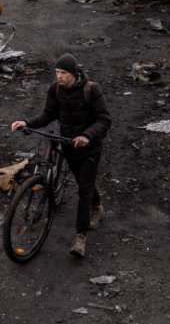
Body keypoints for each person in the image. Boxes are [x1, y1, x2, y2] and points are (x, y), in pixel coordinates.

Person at [10, 53, 111, 258]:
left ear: (73, 74)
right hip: (68, 145)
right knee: (84, 183)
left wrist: (86, 136)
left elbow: (104, 119)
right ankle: (97, 205)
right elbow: (48, 114)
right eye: (57, 72)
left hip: (89, 148)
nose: (59, 76)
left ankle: (80, 237)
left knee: (83, 189)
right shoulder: (55, 89)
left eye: (63, 73)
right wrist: (27, 123)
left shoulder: (91, 90)